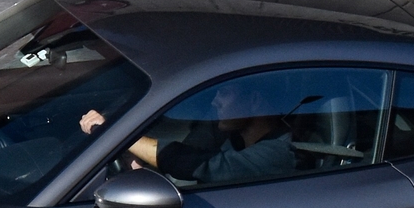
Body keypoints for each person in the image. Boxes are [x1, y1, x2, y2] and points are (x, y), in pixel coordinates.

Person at [126, 76, 294, 187]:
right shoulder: (232, 139)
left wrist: (126, 139)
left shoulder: (277, 153)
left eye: (225, 93)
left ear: (255, 100)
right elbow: (191, 154)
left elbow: (201, 165)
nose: (215, 102)